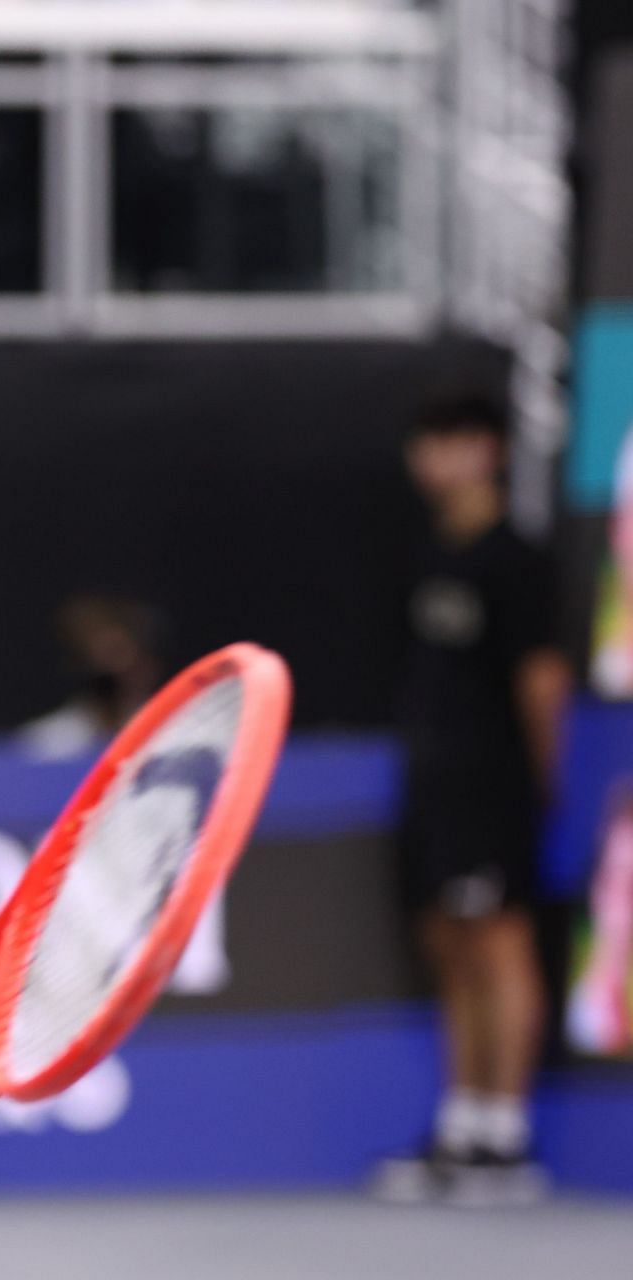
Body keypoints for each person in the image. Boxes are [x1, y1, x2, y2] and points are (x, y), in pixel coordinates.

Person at [374, 393, 570, 1205]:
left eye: (452, 443)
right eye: (425, 444)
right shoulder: (429, 554)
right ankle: (463, 1127)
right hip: (431, 784)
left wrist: (541, 779)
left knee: (499, 946)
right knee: (448, 947)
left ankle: (507, 1137)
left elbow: (543, 679)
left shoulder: (515, 560)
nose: (433, 462)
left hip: (493, 786)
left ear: (489, 450)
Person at [18, 593, 168, 759]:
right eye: (104, 657)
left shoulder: (173, 735)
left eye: (120, 652)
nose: (113, 669)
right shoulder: (45, 744)